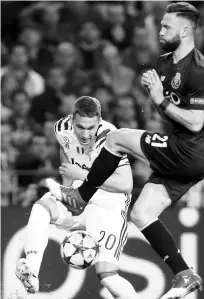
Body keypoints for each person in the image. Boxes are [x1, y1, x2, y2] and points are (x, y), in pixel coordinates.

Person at [48, 2, 204, 299]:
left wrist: (159, 99)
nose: (161, 30)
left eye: (167, 26)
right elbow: (173, 112)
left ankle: (80, 198)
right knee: (141, 213)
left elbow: (194, 122)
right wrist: (158, 101)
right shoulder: (166, 63)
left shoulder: (201, 71)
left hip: (191, 150)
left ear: (187, 30)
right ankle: (185, 274)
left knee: (117, 138)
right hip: (185, 152)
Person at [16, 96, 138, 299]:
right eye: (80, 127)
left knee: (107, 275)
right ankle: (32, 272)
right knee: (41, 207)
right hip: (80, 192)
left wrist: (81, 175)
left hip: (109, 203)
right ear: (72, 120)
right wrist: (69, 187)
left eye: (91, 128)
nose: (85, 134)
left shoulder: (110, 137)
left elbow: (125, 184)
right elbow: (66, 152)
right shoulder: (61, 128)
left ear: (99, 122)